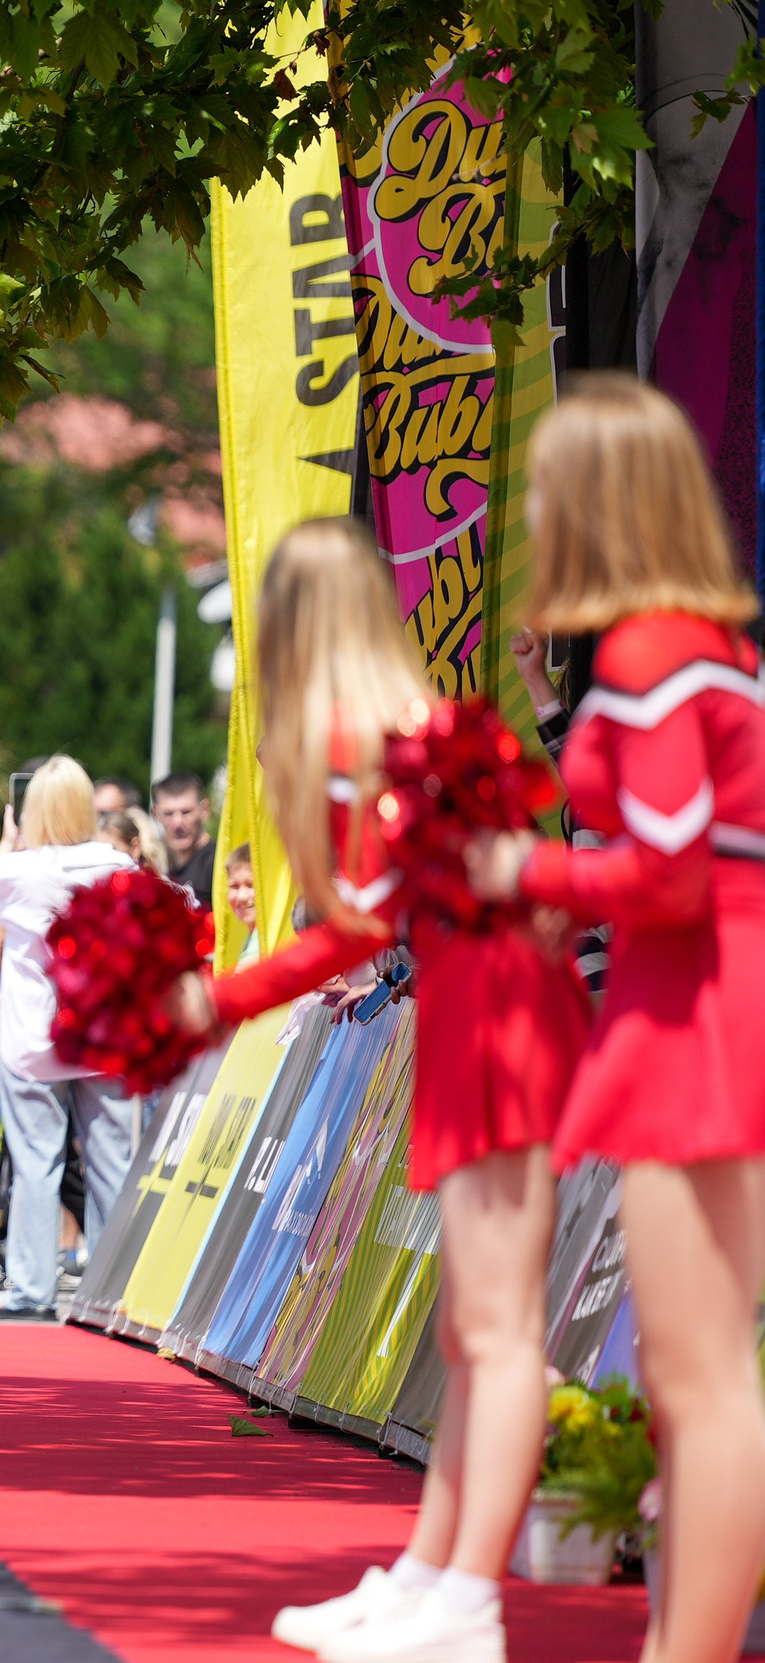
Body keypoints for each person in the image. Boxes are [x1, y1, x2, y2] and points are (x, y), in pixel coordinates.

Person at [166, 517, 588, 1663]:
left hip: (495, 1027)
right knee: (474, 1326)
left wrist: (221, 999)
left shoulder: (365, 741)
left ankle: (464, 1598)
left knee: (494, 1330)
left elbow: (355, 926)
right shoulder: (407, 728)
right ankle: (431, 1578)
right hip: (486, 1016)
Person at [469, 378, 765, 1663]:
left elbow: (669, 871)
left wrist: (525, 871)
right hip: (710, 989)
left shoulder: (650, 655)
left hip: (691, 1004)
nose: (537, 518)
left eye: (549, 493)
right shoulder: (713, 654)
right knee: (705, 1373)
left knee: (697, 1379)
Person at [0, 757, 139, 1324]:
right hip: (100, 1034)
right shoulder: (116, 864)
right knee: (111, 1163)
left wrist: (9, 843)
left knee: (36, 1165)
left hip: (34, 1039)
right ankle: (111, 1294)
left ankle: (32, 1290)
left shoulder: (20, 870)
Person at [153, 769, 216, 895]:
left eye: (186, 812)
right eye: (168, 814)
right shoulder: (155, 868)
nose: (177, 823)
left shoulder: (219, 863)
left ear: (204, 810)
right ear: (155, 813)